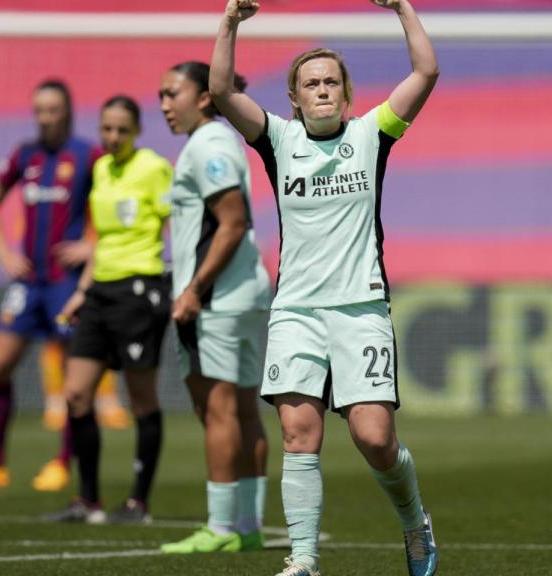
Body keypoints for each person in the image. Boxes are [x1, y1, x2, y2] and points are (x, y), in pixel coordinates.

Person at [209, 1, 440, 575]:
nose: (321, 90)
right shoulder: (277, 140)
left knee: (375, 438)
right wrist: (230, 22)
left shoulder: (371, 134)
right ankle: (305, 560)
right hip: (296, 310)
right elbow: (220, 92)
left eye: (331, 81)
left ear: (346, 93)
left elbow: (426, 72)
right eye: (311, 83)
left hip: (361, 307)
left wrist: (402, 8)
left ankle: (415, 521)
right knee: (297, 434)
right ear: (294, 97)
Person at [0, 79, 97, 493]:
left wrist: (91, 246)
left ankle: (63, 462)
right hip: (28, 282)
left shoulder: (88, 156)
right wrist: (3, 253)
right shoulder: (24, 155)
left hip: (66, 283)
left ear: (67, 112)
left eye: (53, 110)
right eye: (39, 110)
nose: (45, 118)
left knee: (73, 380)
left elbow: (114, 204)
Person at [156, 61, 271, 553]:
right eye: (161, 96)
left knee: (217, 411)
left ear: (204, 97)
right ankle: (247, 526)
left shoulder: (207, 145)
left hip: (217, 300)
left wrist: (194, 289)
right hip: (244, 294)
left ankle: (220, 529)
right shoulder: (220, 141)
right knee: (243, 411)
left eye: (172, 93)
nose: (165, 104)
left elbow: (233, 221)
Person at [44, 95, 173, 524]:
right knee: (76, 394)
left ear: (136, 131)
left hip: (139, 290)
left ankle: (139, 502)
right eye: (107, 129)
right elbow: (100, 239)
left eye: (122, 129)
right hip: (99, 291)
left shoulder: (153, 168)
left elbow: (178, 219)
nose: (113, 136)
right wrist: (82, 291)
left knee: (141, 400)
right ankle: (88, 500)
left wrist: (183, 279)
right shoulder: (100, 169)